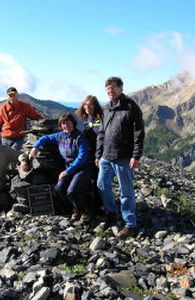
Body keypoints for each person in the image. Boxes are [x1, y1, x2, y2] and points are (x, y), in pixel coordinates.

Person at [95, 77, 145, 238]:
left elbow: (139, 133)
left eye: (113, 88)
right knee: (102, 185)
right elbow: (101, 133)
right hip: (106, 156)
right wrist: (98, 154)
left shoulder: (131, 107)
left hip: (123, 156)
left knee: (126, 191)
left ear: (121, 88)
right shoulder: (106, 109)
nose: (110, 92)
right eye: (108, 89)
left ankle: (130, 224)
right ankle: (111, 214)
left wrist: (136, 156)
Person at [30, 112, 93, 222]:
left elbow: (82, 157)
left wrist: (68, 171)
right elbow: (45, 138)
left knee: (72, 191)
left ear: (73, 123)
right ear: (60, 125)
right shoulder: (60, 136)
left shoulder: (80, 137)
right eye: (63, 123)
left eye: (68, 122)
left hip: (82, 168)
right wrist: (35, 146)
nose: (66, 125)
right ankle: (75, 209)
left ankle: (85, 211)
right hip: (70, 169)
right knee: (59, 188)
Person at [75, 95, 103, 215]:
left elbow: (102, 138)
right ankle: (95, 205)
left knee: (99, 181)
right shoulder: (86, 120)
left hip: (99, 156)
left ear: (95, 106)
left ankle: (101, 207)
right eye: (86, 105)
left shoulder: (100, 119)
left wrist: (98, 156)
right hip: (89, 155)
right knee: (93, 181)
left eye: (90, 104)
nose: (87, 107)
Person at [0, 87, 44, 151]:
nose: (12, 97)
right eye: (10, 95)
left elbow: (36, 116)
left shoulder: (24, 107)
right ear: (8, 96)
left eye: (14, 94)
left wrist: (43, 123)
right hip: (5, 137)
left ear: (17, 95)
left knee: (14, 154)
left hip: (18, 137)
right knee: (4, 155)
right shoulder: (3, 108)